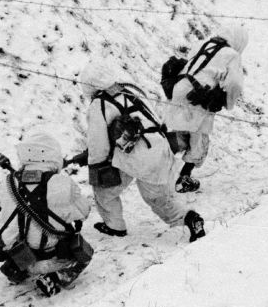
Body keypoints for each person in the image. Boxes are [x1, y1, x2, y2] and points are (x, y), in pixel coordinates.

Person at [73, 61, 205, 242]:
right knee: (157, 199)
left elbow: (99, 144)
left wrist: (96, 165)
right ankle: (189, 218)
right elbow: (155, 119)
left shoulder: (99, 104)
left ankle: (115, 226)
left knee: (104, 192)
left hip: (132, 157)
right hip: (159, 149)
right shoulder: (129, 92)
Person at [0, 132, 96, 297]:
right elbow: (83, 212)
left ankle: (17, 268)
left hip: (19, 251)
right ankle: (56, 277)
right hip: (50, 251)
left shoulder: (8, 182)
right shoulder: (62, 183)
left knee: (16, 230)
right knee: (85, 252)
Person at [163, 25, 249, 194]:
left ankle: (157, 157)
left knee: (181, 132)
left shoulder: (202, 44)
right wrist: (227, 102)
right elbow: (234, 83)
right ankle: (184, 177)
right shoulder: (231, 55)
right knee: (199, 140)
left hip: (181, 89)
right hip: (200, 98)